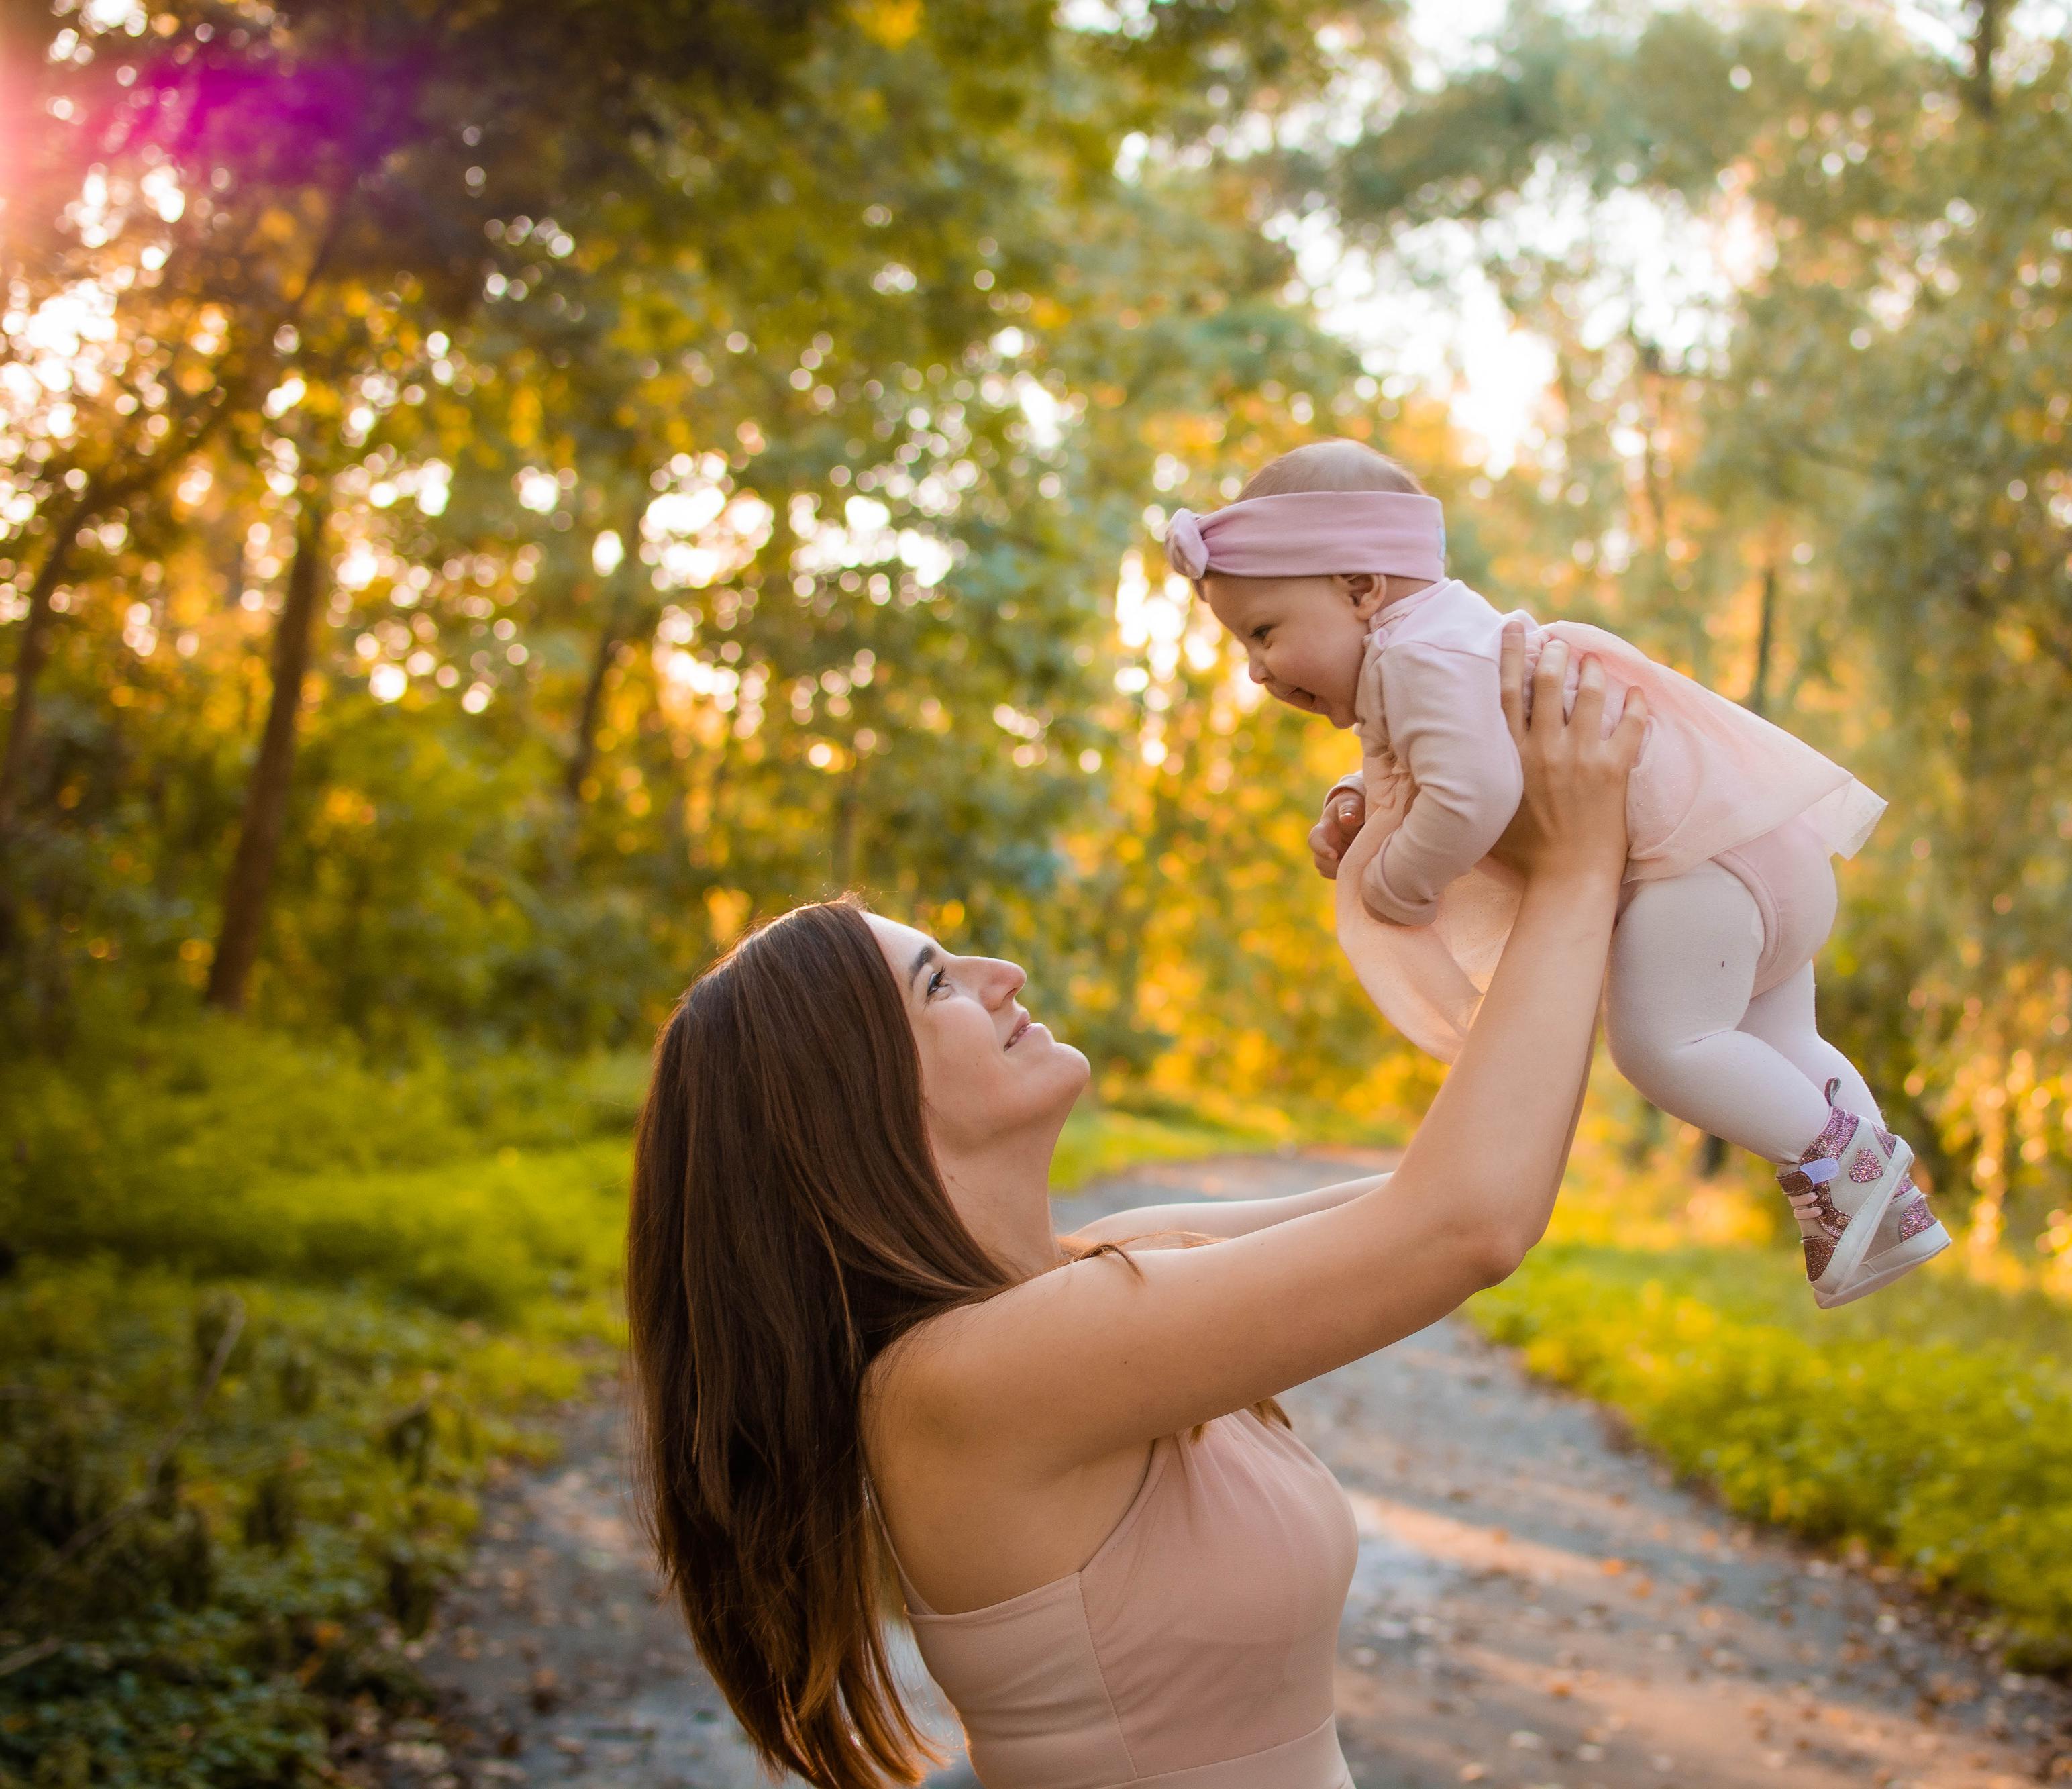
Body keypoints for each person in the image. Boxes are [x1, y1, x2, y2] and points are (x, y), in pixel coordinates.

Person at [626, 631, 1644, 1789]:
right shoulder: (958, 1383)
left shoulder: (1101, 1265)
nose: (1001, 973)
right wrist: (1575, 864)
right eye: (937, 981)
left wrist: (1457, 860)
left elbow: (1471, 1179)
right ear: (845, 1100)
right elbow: (1465, 1223)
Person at [1168, 440, 1947, 1309]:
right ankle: (1887, 1198)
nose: (1257, 670)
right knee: (1781, 1042)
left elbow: (1472, 791)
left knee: (1664, 1046)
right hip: (1757, 841)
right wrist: (1355, 798)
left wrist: (1396, 881)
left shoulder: (1419, 658)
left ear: (1361, 589)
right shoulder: (1442, 643)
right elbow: (1431, 754)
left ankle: (1845, 1171)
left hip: (1694, 869)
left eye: (1264, 633)